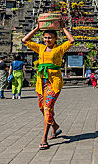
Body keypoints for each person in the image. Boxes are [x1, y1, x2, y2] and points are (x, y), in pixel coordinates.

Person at [22, 18, 75, 150]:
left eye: (50, 38)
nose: (47, 40)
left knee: (47, 107)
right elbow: (25, 40)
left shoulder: (59, 49)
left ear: (55, 38)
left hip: (54, 82)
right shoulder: (40, 48)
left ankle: (44, 138)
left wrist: (63, 27)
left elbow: (71, 41)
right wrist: (37, 29)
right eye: (45, 38)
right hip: (41, 82)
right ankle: (55, 126)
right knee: (42, 107)